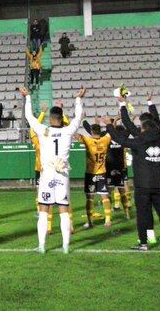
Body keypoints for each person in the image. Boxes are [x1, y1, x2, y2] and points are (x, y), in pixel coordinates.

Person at [21, 87, 84, 254]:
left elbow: (29, 117)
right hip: (62, 175)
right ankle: (65, 247)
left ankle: (42, 246)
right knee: (63, 210)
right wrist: (78, 99)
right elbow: (78, 118)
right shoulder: (68, 130)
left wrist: (28, 97)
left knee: (43, 210)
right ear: (61, 118)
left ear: (50, 118)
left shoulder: (43, 130)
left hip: (47, 175)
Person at [106, 99, 160, 251]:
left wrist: (110, 125)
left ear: (143, 129)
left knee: (143, 215)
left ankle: (144, 243)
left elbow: (120, 138)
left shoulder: (138, 142)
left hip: (142, 186)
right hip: (158, 185)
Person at [75, 124, 113, 228]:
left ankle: (90, 222)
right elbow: (111, 132)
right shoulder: (105, 140)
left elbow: (75, 135)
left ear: (91, 131)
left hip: (90, 173)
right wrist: (113, 122)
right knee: (105, 196)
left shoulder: (88, 140)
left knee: (90, 198)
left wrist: (70, 123)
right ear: (100, 131)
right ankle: (108, 220)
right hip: (102, 172)